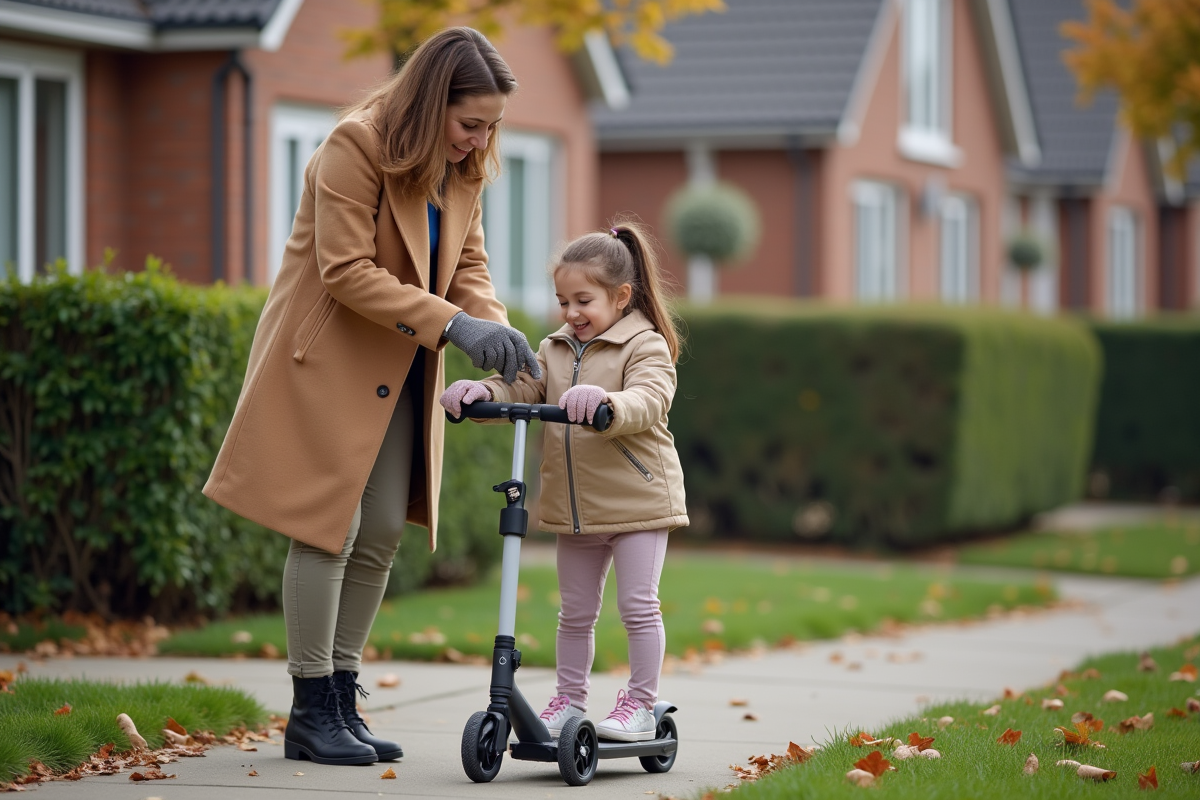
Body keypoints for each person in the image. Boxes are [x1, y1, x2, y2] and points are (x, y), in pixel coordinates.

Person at [203, 27, 540, 766]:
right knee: (328, 526)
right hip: (326, 362)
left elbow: (470, 266)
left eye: (492, 125)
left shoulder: (465, 168)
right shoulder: (354, 147)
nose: (481, 139)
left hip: (402, 364)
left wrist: (492, 328)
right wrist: (453, 324)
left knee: (383, 526)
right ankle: (310, 705)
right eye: (470, 123)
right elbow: (345, 269)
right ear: (430, 103)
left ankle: (342, 697)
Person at [440, 219, 689, 742]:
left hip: (638, 503)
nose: (571, 313)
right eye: (563, 302)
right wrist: (480, 393)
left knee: (638, 608)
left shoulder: (645, 346)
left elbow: (648, 399)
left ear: (621, 296)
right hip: (576, 512)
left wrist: (607, 403)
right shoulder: (553, 347)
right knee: (574, 614)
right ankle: (569, 702)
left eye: (583, 301)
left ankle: (641, 705)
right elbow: (524, 385)